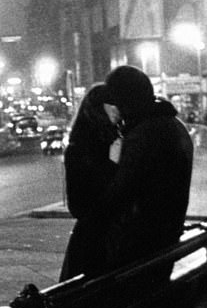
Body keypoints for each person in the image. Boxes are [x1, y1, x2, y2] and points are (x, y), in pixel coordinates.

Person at [100, 65, 193, 273]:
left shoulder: (145, 134)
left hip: (140, 244)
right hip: (165, 236)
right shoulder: (172, 125)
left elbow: (121, 192)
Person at [59, 83, 122, 281]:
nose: (118, 111)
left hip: (116, 241)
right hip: (94, 244)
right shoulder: (79, 149)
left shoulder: (120, 139)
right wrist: (112, 164)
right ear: (98, 109)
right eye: (112, 105)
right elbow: (78, 207)